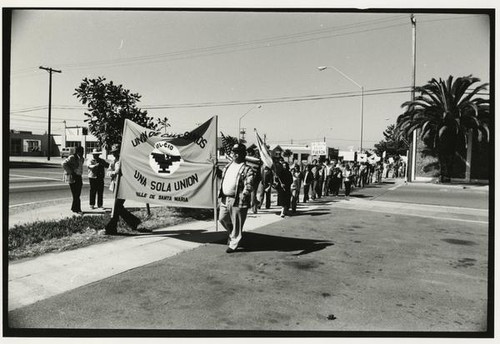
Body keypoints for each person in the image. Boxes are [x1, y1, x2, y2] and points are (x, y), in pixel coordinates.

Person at [218, 143, 255, 253]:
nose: (234, 154)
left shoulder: (247, 169)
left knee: (237, 222)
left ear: (243, 154)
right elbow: (224, 178)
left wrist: (245, 194)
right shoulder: (228, 166)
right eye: (234, 152)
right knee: (222, 219)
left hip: (238, 199)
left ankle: (234, 243)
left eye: (237, 152)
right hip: (225, 198)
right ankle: (232, 234)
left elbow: (249, 184)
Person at [105, 143, 141, 235]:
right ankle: (134, 222)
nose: (114, 154)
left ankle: (111, 227)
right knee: (119, 207)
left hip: (124, 186)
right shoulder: (113, 162)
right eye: (113, 152)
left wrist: (119, 172)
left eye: (116, 152)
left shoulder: (125, 161)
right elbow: (108, 172)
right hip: (115, 186)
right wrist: (114, 172)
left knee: (117, 206)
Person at [62, 146, 85, 214]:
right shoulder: (72, 157)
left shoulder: (82, 159)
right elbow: (63, 164)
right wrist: (71, 172)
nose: (82, 153)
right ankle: (78, 209)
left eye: (83, 151)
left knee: (77, 193)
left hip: (79, 176)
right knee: (75, 194)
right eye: (81, 151)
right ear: (77, 152)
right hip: (73, 177)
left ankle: (74, 208)